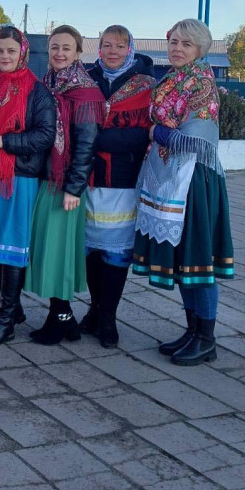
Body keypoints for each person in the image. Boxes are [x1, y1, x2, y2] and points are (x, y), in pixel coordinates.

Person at [133, 18, 234, 365]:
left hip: (194, 180)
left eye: (186, 44)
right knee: (182, 260)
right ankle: (192, 331)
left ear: (200, 50)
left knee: (197, 260)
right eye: (174, 42)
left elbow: (193, 139)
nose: (177, 48)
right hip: (170, 176)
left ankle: (206, 338)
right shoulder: (174, 79)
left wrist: (155, 133)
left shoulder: (201, 84)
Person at [0, 26, 56, 346]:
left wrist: (3, 141)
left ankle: (5, 319)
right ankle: (15, 307)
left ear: (22, 52)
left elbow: (44, 135)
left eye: (10, 50)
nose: (4, 56)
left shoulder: (36, 90)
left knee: (11, 246)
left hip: (18, 178)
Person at [25, 25, 105, 344]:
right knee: (47, 248)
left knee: (57, 251)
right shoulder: (46, 84)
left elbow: (86, 144)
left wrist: (74, 187)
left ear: (77, 53)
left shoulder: (84, 91)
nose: (59, 53)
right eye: (55, 47)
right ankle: (64, 317)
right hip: (45, 179)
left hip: (65, 184)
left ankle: (61, 318)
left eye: (66, 48)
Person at [81, 26, 156, 347]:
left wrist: (99, 137)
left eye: (120, 46)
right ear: (98, 48)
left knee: (115, 252)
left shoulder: (149, 87)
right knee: (90, 251)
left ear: (130, 49)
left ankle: (109, 318)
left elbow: (147, 133)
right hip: (86, 179)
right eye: (106, 45)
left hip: (124, 181)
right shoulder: (84, 80)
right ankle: (94, 309)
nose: (112, 51)